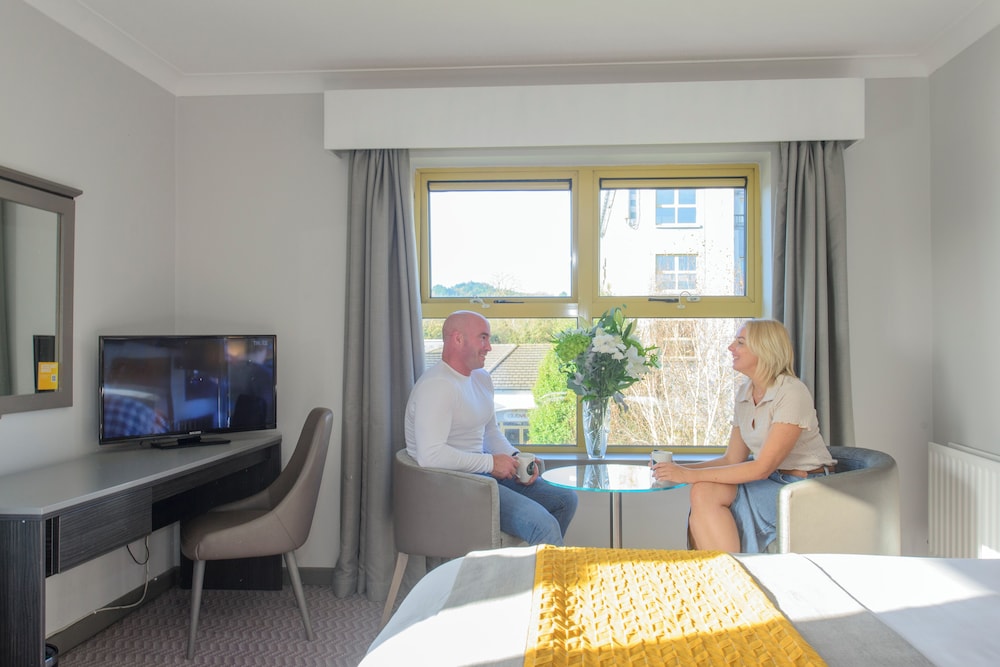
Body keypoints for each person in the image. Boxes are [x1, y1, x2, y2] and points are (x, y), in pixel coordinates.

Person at [651, 319, 835, 553]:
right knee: (703, 490)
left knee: (701, 486)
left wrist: (687, 475)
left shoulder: (791, 392)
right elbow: (731, 459)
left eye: (740, 342)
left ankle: (732, 568)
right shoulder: (745, 392)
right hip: (770, 481)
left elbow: (762, 468)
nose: (731, 348)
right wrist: (675, 470)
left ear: (764, 349)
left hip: (804, 486)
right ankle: (726, 568)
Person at [404, 310, 578, 545]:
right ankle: (539, 569)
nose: (489, 347)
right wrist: (491, 463)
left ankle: (530, 566)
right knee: (543, 525)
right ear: (458, 339)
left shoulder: (481, 378)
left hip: (483, 476)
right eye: (483, 338)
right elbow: (430, 455)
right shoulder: (437, 386)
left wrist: (516, 459)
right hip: (453, 486)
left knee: (566, 500)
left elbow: (490, 431)